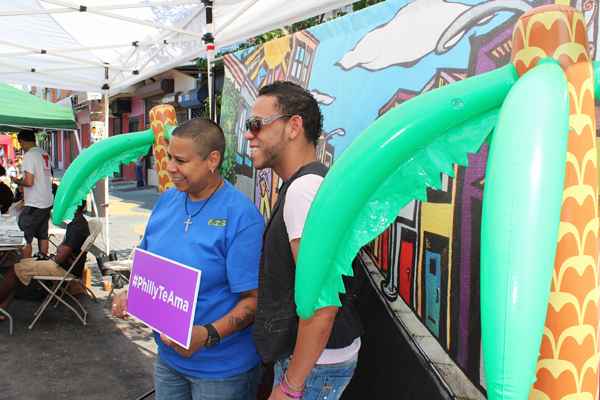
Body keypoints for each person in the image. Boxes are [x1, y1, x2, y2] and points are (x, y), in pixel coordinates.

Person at [112, 118, 265, 400]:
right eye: (170, 156)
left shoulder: (241, 217)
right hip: (169, 360)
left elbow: (255, 300)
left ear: (212, 160)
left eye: (180, 160)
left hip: (222, 371)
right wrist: (130, 292)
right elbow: (149, 266)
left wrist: (206, 335)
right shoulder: (167, 201)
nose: (170, 167)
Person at [246, 81, 363, 400]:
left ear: (293, 126)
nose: (248, 134)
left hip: (313, 367)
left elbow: (322, 304)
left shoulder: (302, 191)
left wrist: (291, 386)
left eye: (256, 125)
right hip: (316, 360)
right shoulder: (312, 184)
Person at [0, 202, 89, 313]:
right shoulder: (80, 222)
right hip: (67, 267)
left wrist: (57, 252)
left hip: (62, 268)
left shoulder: (76, 226)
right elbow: (63, 251)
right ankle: (3, 307)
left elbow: (60, 258)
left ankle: (2, 304)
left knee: (15, 270)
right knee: (20, 270)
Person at [12, 130, 53, 259]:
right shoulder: (43, 153)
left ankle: (26, 267)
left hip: (35, 202)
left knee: (24, 235)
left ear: (22, 141)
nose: (21, 147)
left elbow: (29, 182)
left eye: (20, 144)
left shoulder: (29, 155)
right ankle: (42, 261)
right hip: (46, 200)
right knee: (43, 233)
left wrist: (17, 181)